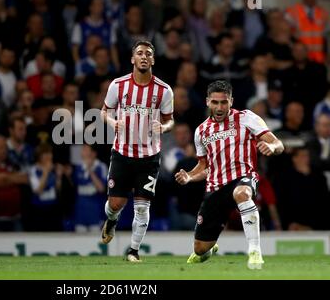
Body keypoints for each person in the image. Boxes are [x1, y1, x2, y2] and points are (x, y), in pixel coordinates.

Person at [175, 80, 284, 269]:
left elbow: (279, 144)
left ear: (231, 101)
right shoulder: (201, 131)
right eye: (215, 102)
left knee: (241, 193)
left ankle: (255, 251)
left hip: (243, 176)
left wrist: (271, 146)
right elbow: (203, 166)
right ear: (207, 101)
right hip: (216, 186)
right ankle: (209, 248)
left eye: (223, 102)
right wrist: (189, 177)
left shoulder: (246, 118)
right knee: (200, 248)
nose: (219, 107)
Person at [100, 40, 174, 262]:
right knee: (116, 204)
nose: (144, 57)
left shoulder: (164, 90)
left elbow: (170, 121)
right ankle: (111, 220)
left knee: (142, 207)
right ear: (133, 59)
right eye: (139, 53)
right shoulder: (118, 85)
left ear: (152, 60)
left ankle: (133, 250)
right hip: (122, 153)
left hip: (149, 156)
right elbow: (104, 112)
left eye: (148, 54)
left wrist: (163, 127)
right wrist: (112, 123)